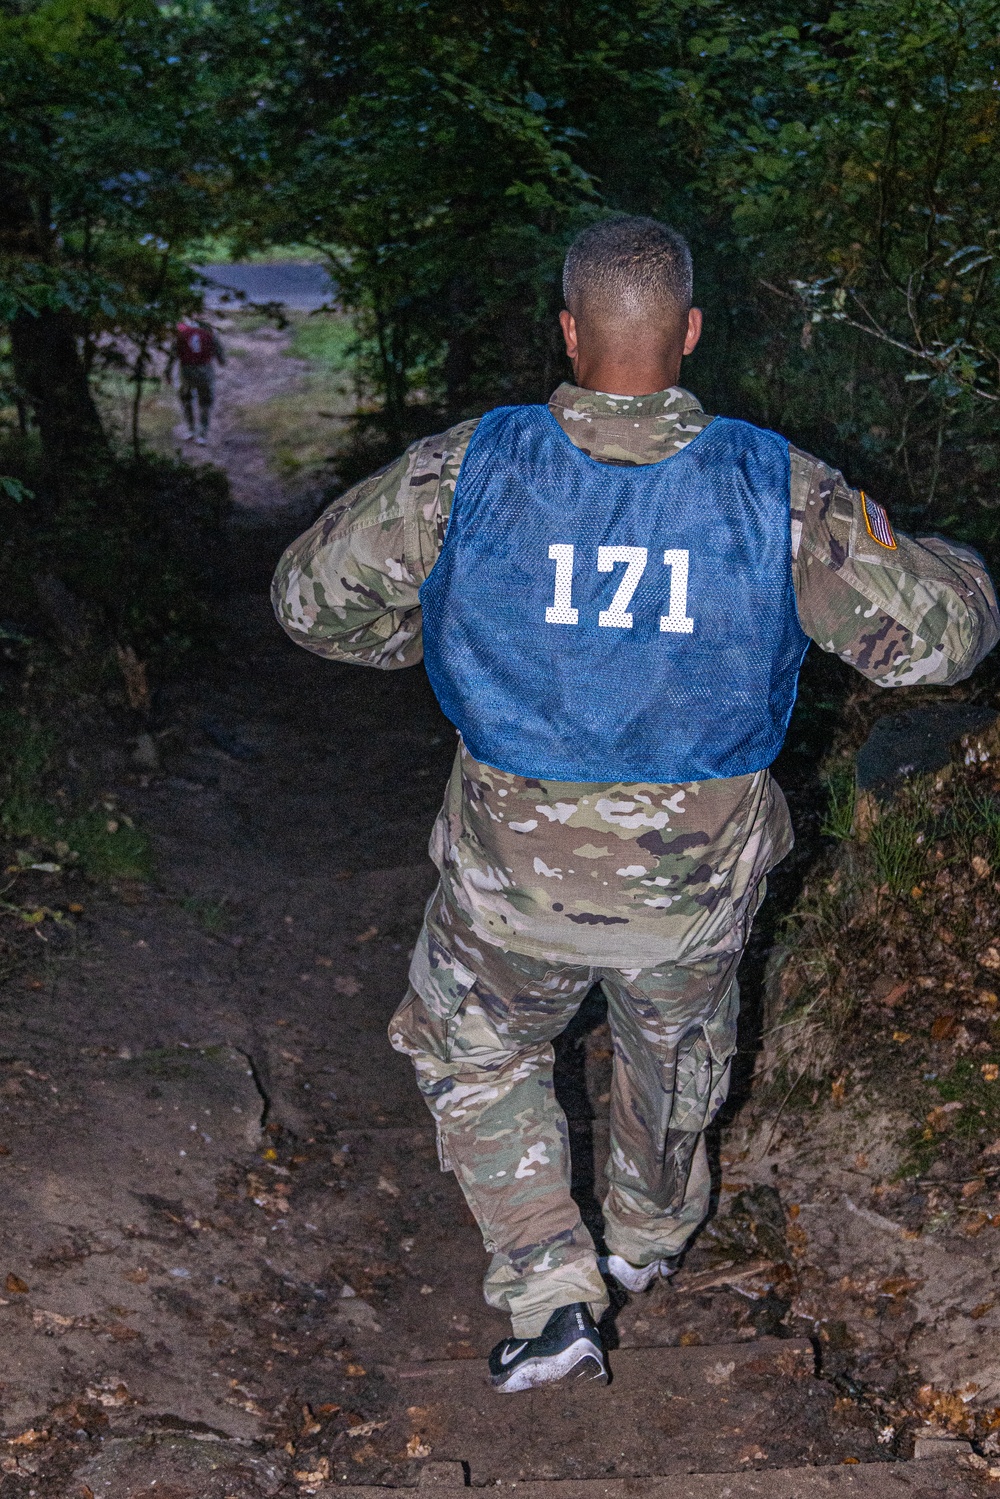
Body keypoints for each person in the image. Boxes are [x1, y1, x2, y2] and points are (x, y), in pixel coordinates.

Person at [271, 217, 999, 1394]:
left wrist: (425, 630)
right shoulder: (775, 484)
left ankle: (549, 1283)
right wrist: (958, 564)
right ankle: (646, 1244)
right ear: (691, 333)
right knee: (673, 1052)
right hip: (691, 887)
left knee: (474, 1047)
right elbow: (937, 641)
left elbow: (308, 599)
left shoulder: (468, 466)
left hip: (512, 879)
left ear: (567, 332)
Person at [174, 318, 225, 444]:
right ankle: (202, 434)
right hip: (205, 372)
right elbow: (221, 357)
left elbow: (173, 354)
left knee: (186, 400)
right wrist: (221, 360)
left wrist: (168, 371)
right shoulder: (210, 335)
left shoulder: (182, 334)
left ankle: (191, 429)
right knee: (205, 403)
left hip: (186, 372)